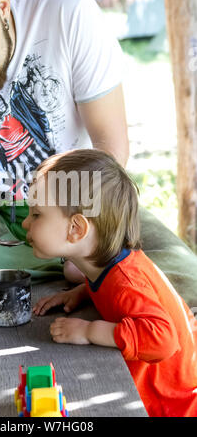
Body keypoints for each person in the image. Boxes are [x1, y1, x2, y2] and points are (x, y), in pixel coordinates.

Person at [0, 0, 196, 417]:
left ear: (2, 5)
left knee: (184, 283)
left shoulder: (67, 12)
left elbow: (110, 150)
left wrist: (84, 241)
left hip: (81, 195)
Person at [23, 149, 197, 417]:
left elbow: (162, 340)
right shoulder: (108, 267)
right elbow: (115, 291)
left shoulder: (126, 282)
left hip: (171, 402)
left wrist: (89, 331)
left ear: (76, 229)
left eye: (36, 215)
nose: (25, 222)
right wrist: (83, 292)